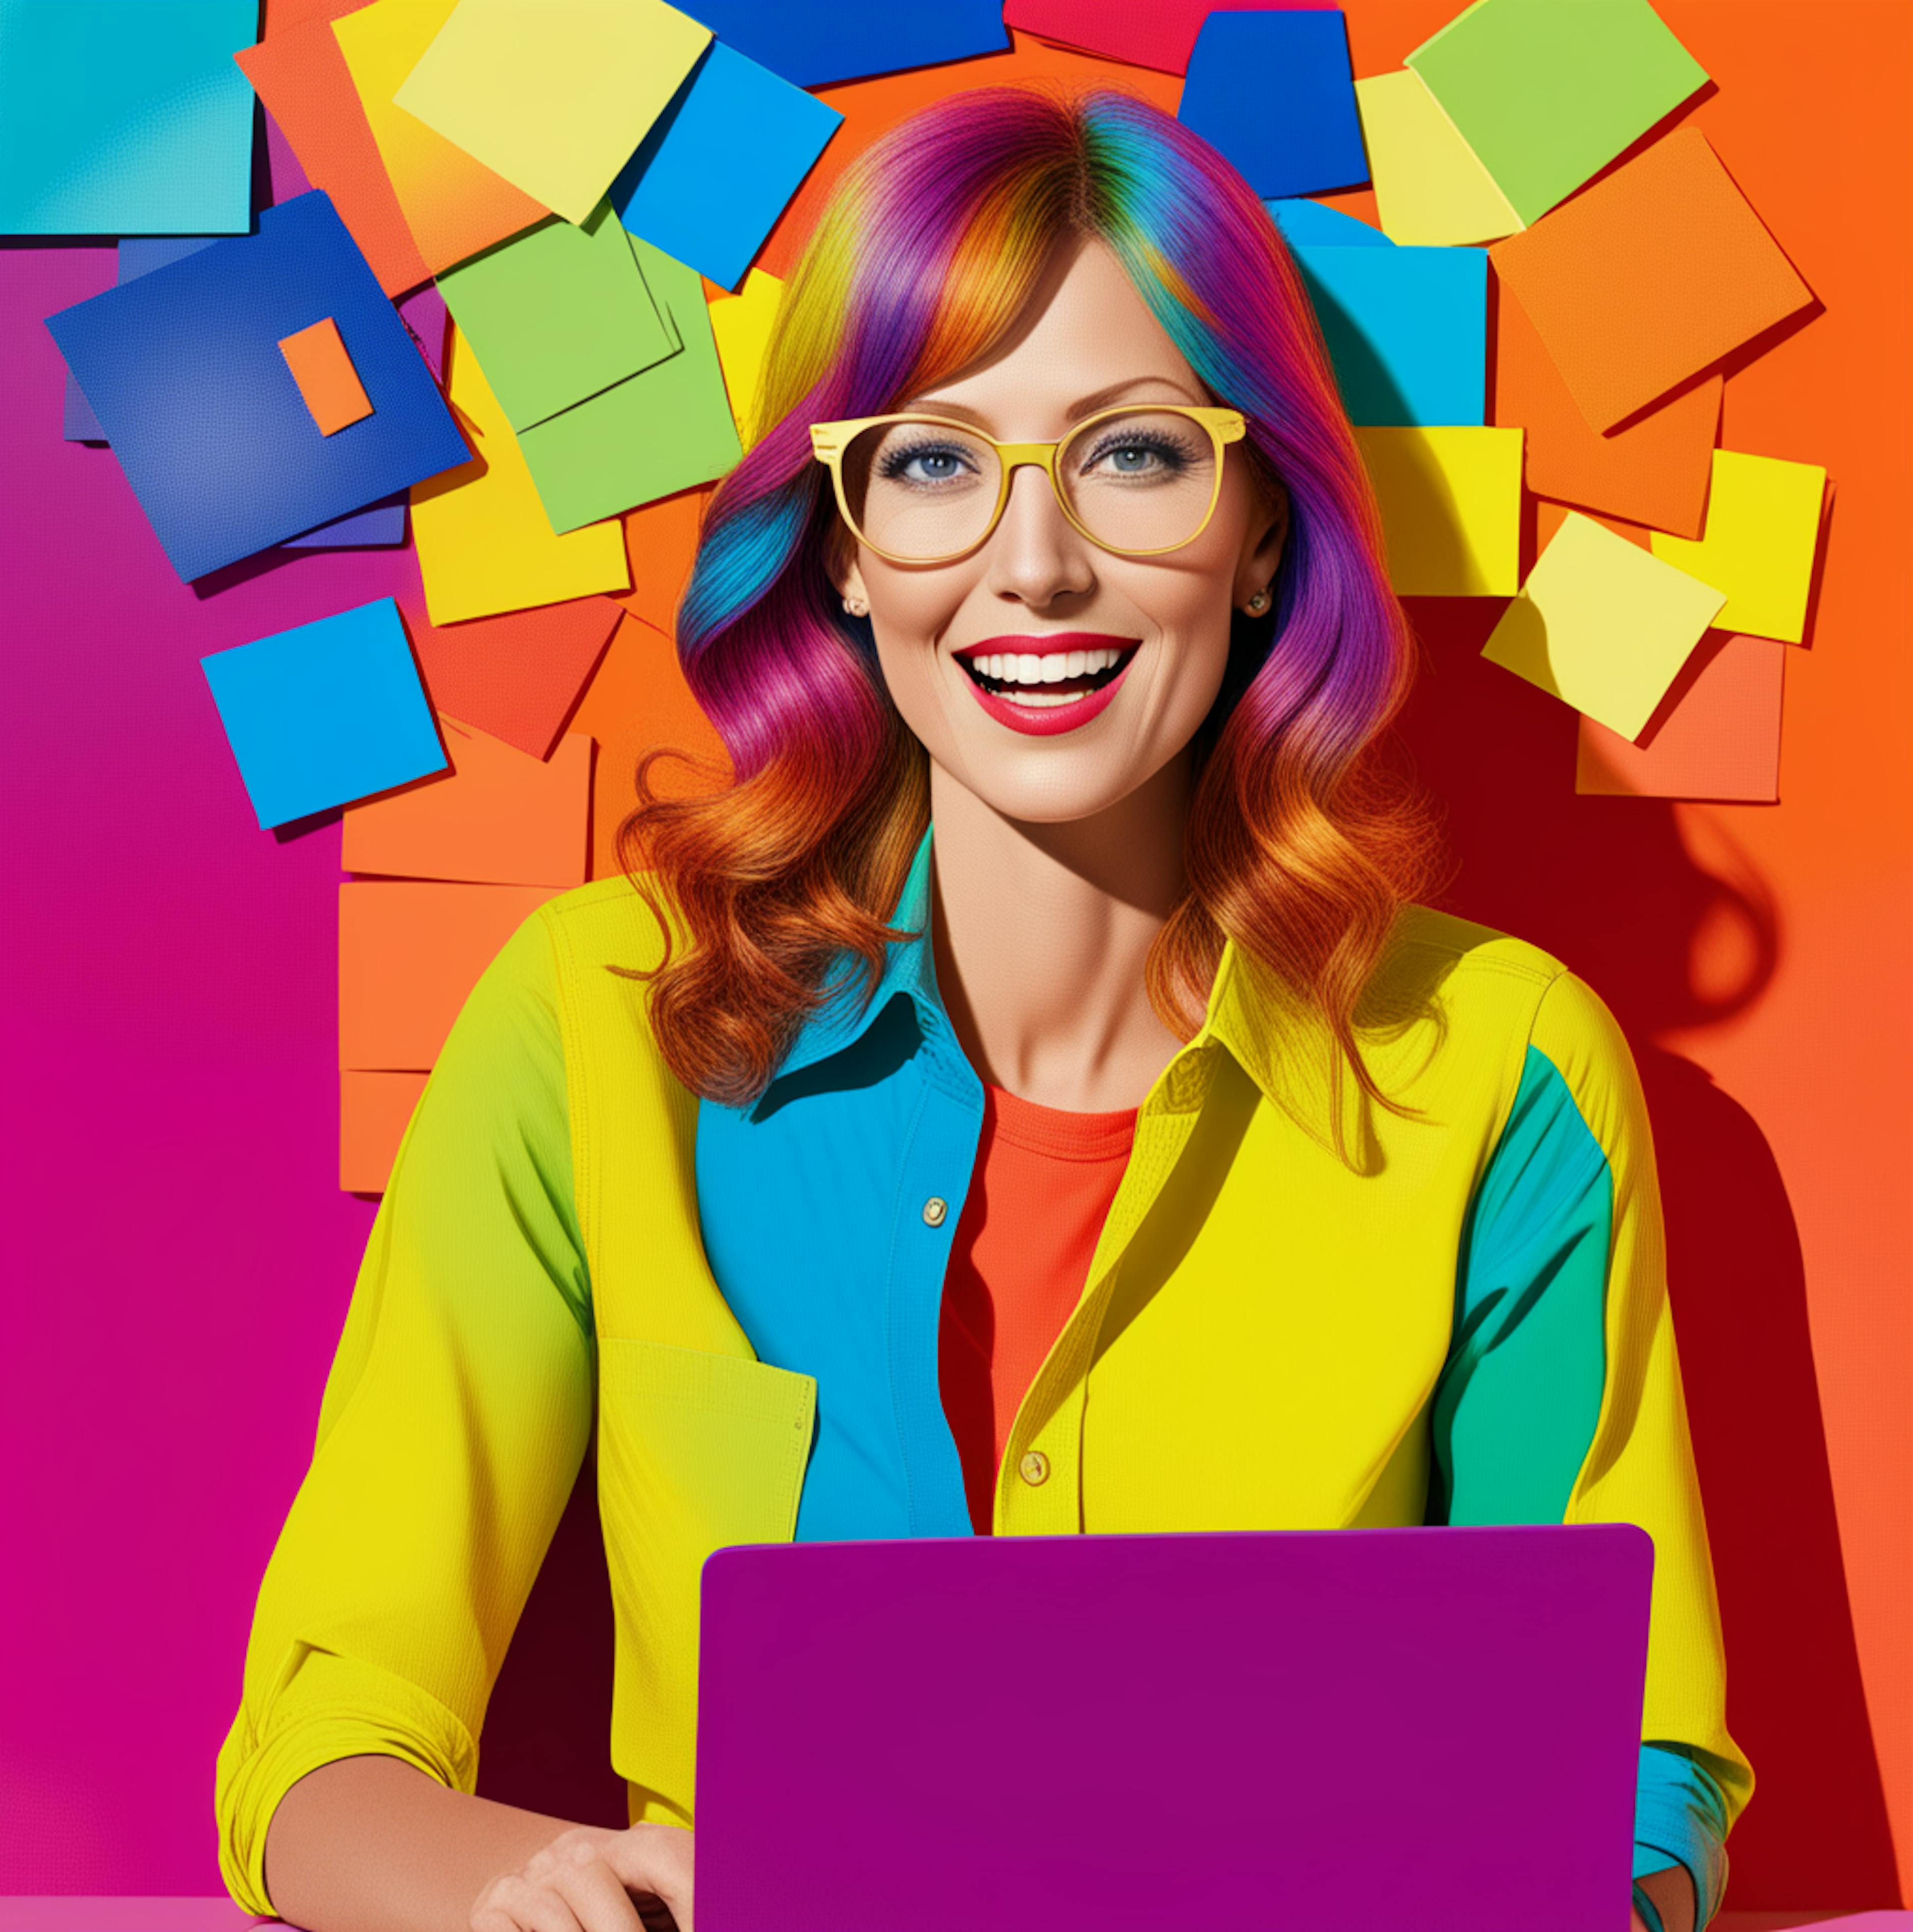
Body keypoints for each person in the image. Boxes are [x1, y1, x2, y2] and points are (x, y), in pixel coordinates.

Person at [216, 83, 1751, 1932]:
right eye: (936, 461)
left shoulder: (1501, 1073)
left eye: (1136, 454)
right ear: (846, 547)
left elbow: (1633, 1786)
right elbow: (322, 1747)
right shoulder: (593, 1019)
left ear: (1263, 529)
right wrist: (525, 1895)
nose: (1037, 565)